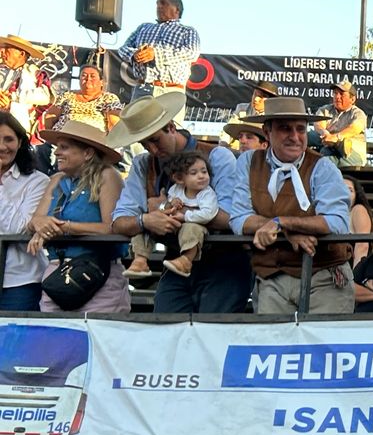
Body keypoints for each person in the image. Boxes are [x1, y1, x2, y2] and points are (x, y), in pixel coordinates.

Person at [109, 92, 246, 314]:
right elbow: (119, 222)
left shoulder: (218, 156)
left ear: (171, 127)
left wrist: (163, 210)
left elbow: (230, 218)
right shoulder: (144, 164)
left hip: (224, 262)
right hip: (175, 261)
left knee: (211, 336)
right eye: (144, 144)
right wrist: (146, 220)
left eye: (155, 140)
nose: (152, 150)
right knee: (166, 333)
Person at [217, 95, 354, 315]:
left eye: (300, 129)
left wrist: (282, 223)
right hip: (272, 276)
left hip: (323, 277)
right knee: (271, 345)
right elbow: (239, 218)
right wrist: (287, 231)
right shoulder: (249, 161)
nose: (295, 137)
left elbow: (337, 222)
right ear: (267, 131)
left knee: (323, 347)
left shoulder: (322, 167)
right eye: (285, 129)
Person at [28, 120, 127, 314]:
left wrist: (66, 227)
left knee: (98, 339)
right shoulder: (56, 179)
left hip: (98, 274)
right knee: (54, 340)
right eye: (57, 147)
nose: (56, 152)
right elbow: (36, 220)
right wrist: (41, 225)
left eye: (64, 147)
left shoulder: (108, 176)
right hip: (57, 273)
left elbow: (114, 227)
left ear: (88, 153)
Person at [126, 150, 217, 278]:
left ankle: (186, 260)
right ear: (179, 179)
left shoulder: (207, 194)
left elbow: (208, 214)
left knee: (192, 229)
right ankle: (140, 260)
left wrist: (185, 216)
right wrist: (171, 203)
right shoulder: (176, 189)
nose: (201, 176)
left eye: (204, 171)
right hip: (172, 225)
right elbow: (168, 201)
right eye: (194, 173)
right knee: (145, 227)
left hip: (191, 226)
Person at [115, 0, 199, 113]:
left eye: (164, 3)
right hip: (142, 89)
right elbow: (123, 48)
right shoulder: (143, 27)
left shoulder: (187, 31)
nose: (159, 6)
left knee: (169, 130)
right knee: (138, 130)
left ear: (177, 10)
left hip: (170, 90)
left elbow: (192, 52)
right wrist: (134, 55)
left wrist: (156, 54)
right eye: (157, 3)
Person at [0, 109, 49, 311]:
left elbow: (19, 228)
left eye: (9, 139)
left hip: (20, 282)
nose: (2, 147)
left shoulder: (38, 181)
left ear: (20, 143)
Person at [0, 35, 52, 155]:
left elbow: (45, 96)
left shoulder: (35, 74)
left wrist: (11, 99)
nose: (3, 53)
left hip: (18, 127)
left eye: (8, 49)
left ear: (21, 54)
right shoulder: (2, 72)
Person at [44, 64, 122, 133]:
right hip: (63, 136)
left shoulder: (109, 99)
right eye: (84, 76)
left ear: (101, 82)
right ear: (79, 80)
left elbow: (114, 124)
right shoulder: (66, 96)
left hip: (93, 141)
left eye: (93, 76)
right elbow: (50, 117)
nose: (88, 79)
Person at [316, 79, 368, 169]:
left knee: (343, 146)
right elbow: (318, 123)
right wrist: (324, 133)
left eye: (342, 94)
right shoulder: (325, 110)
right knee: (311, 138)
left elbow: (354, 128)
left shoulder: (358, 113)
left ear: (352, 99)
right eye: (335, 93)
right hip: (329, 148)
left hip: (352, 153)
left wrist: (336, 138)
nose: (337, 97)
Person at [344, 176, 373, 268]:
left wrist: (356, 275)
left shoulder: (358, 210)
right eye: (340, 188)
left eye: (350, 190)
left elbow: (362, 245)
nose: (345, 193)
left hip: (350, 271)